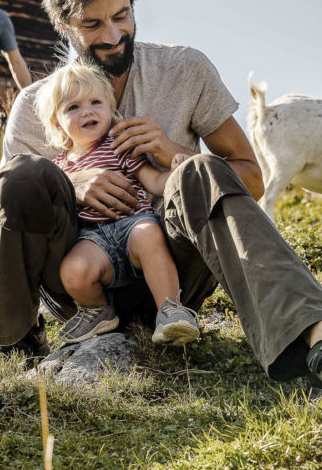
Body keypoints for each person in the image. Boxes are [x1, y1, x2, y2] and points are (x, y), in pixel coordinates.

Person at [0, 0, 322, 416]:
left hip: (171, 280)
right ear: (64, 25)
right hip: (78, 285)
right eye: (92, 24)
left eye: (122, 16)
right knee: (21, 175)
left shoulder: (185, 69)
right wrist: (71, 186)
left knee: (199, 168)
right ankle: (14, 338)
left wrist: (174, 153)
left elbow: (252, 178)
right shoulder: (35, 103)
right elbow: (3, 217)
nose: (113, 35)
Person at [34, 58, 199, 346]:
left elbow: (154, 183)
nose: (87, 112)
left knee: (149, 235)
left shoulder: (119, 147)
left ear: (111, 109)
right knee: (72, 270)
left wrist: (176, 171)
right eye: (73, 107)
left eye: (95, 102)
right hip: (91, 237)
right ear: (56, 123)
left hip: (133, 223)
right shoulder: (58, 167)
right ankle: (98, 310)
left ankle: (170, 310)